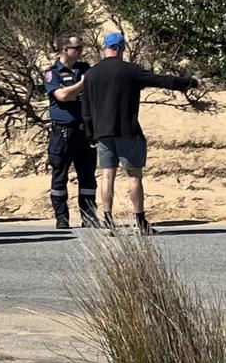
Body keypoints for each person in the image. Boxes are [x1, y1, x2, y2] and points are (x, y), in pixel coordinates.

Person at [80, 31, 198, 235]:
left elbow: (86, 108)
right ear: (121, 48)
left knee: (107, 176)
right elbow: (159, 80)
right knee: (134, 177)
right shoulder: (130, 70)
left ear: (105, 48)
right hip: (128, 130)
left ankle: (108, 221)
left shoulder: (91, 74)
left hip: (102, 132)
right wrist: (188, 83)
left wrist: (90, 133)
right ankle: (140, 221)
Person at [44, 36, 98, 229]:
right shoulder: (53, 73)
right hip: (62, 133)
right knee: (60, 175)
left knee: (88, 177)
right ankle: (61, 217)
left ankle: (89, 216)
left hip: (85, 132)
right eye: (77, 48)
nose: (81, 51)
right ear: (64, 50)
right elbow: (63, 95)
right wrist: (82, 85)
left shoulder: (86, 69)